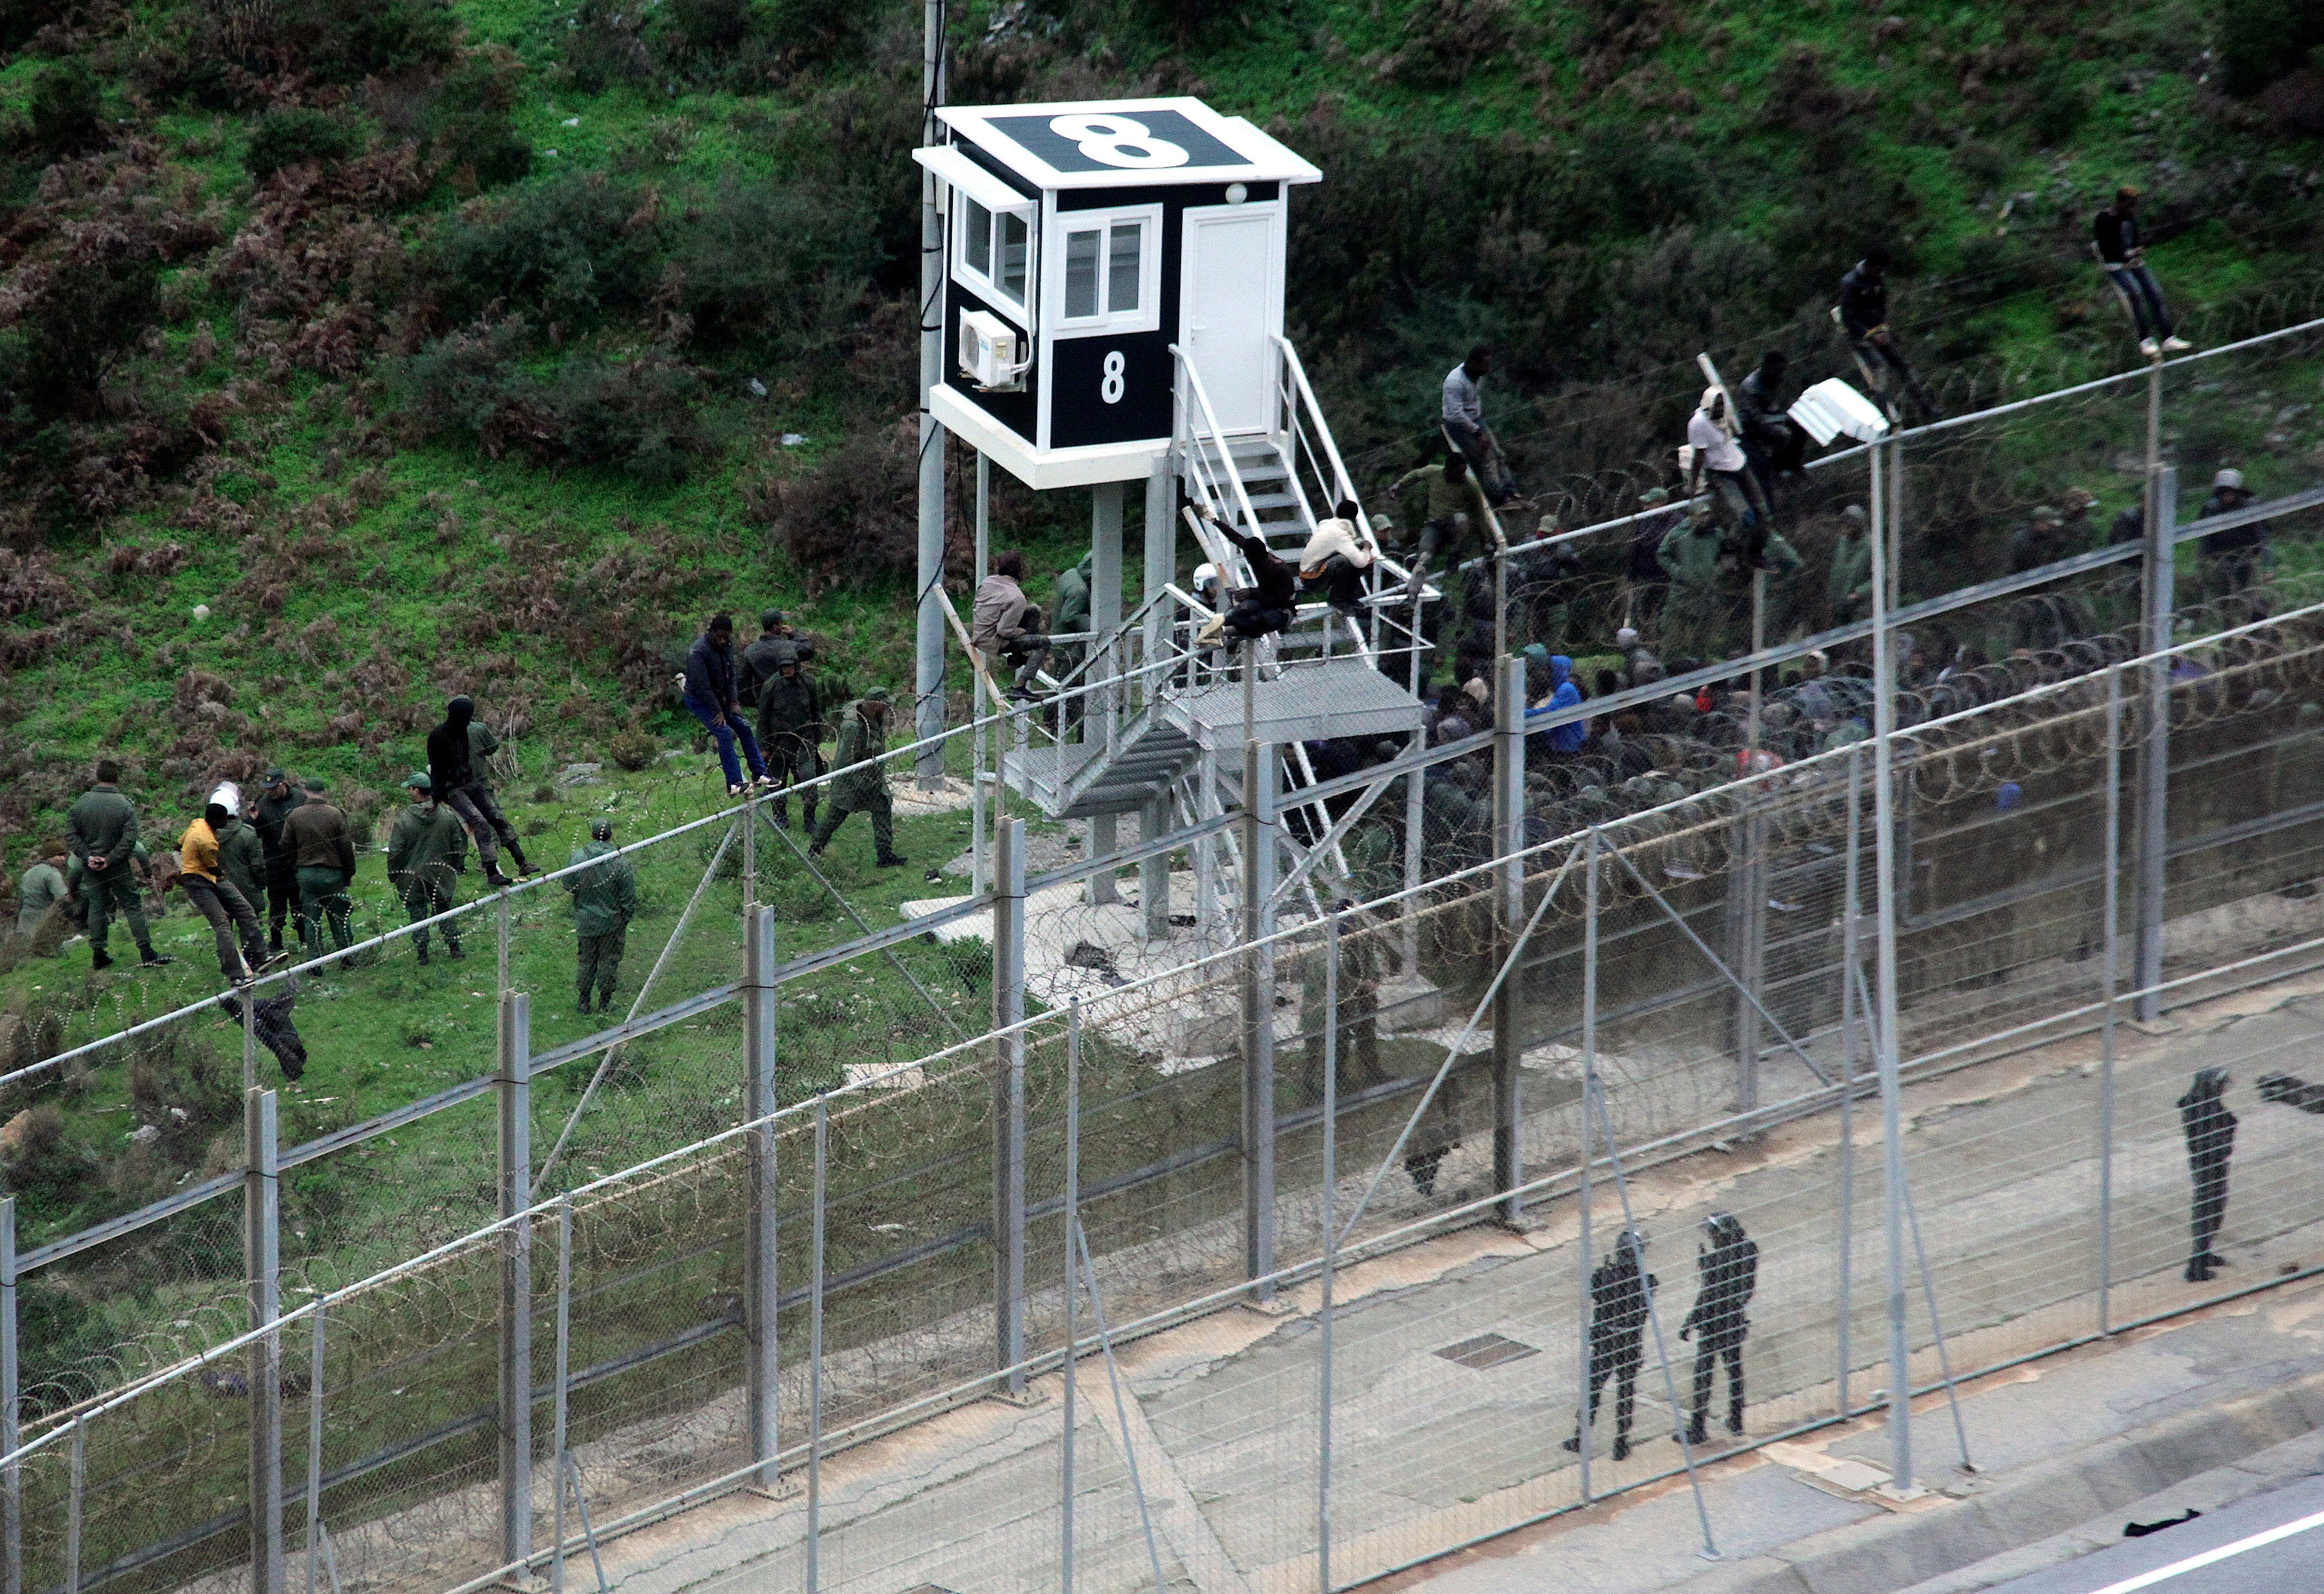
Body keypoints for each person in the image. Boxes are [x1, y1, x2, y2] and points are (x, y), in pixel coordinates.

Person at [1563, 1229, 1657, 1462]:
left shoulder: (1605, 1276)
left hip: (1606, 1341)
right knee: (1625, 1392)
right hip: (1629, 1343)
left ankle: (1581, 1437)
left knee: (1593, 1388)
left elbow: (1595, 1292)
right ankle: (1621, 1443)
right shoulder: (1646, 1281)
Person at [67, 761, 170, 972]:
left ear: (98, 777)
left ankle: (98, 954)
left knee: (97, 906)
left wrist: (88, 856)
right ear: (117, 778)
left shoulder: (81, 803)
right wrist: (111, 859)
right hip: (118, 866)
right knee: (132, 904)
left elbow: (71, 834)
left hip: (91, 866)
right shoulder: (124, 805)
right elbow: (130, 839)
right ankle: (146, 951)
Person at [1676, 1212, 1758, 1445]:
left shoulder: (1716, 1261)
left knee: (1703, 1374)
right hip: (1734, 1320)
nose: (1712, 1239)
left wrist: (1690, 1322)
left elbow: (1707, 1295)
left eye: (1714, 1234)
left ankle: (1698, 1428)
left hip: (1713, 1323)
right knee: (1734, 1371)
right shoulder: (1748, 1250)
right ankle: (1736, 1420)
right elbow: (1745, 1289)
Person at [807, 688, 908, 867]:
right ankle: (814, 850)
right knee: (836, 815)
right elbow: (846, 760)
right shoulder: (854, 727)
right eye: (884, 704)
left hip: (872, 778)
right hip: (851, 782)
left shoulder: (874, 718)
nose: (887, 708)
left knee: (883, 807)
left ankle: (885, 855)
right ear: (873, 704)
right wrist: (859, 783)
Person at [178, 786, 268, 985]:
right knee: (223, 924)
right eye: (223, 820)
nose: (226, 823)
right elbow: (214, 869)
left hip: (206, 876)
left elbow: (178, 845)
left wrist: (186, 858)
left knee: (242, 912)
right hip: (202, 879)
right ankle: (237, 972)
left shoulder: (197, 824)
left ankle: (259, 956)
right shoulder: (209, 841)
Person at [427, 696, 518, 888]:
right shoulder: (441, 736)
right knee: (482, 821)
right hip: (457, 787)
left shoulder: (460, 731)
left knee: (492, 817)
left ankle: (518, 860)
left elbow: (460, 762)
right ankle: (492, 869)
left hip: (468, 783)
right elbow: (437, 768)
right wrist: (437, 796)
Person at [1838, 245, 1935, 421]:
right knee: (1879, 367)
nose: (1882, 272)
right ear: (1871, 265)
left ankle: (1925, 407)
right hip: (1860, 336)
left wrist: (1883, 330)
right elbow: (1849, 318)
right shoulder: (1850, 283)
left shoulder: (1878, 280)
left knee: (1902, 364)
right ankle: (1883, 414)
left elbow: (1881, 307)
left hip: (1879, 332)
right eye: (1879, 268)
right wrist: (1870, 335)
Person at [2094, 187, 2190, 358]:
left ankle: (2168, 338)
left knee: (2155, 293)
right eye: (2129, 205)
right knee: (2136, 294)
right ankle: (2145, 340)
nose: (2132, 209)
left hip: (2134, 263)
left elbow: (2135, 240)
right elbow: (2105, 249)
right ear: (2121, 202)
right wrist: (2127, 255)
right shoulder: (2104, 219)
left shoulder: (2130, 218)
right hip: (2116, 266)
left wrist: (2137, 252)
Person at [683, 615, 773, 798]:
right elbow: (702, 687)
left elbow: (732, 677)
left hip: (721, 698)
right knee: (724, 733)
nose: (723, 641)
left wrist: (733, 702)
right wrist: (717, 711)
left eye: (727, 637)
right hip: (700, 700)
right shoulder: (698, 652)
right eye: (720, 637)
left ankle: (760, 774)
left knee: (744, 727)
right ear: (712, 632)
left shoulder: (726, 647)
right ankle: (734, 783)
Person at [1686, 385, 1774, 568]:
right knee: (1746, 517)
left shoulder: (1724, 415)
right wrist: (1693, 484)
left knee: (1763, 512)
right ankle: (1729, 548)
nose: (1720, 409)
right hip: (1720, 473)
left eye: (1722, 405)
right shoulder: (1698, 424)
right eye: (1717, 406)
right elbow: (1699, 457)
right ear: (1708, 405)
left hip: (1739, 464)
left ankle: (1756, 553)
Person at [385, 772, 467, 964]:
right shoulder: (447, 816)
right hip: (441, 873)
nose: (409, 791)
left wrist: (394, 874)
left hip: (412, 875)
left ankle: (422, 954)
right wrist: (455, 866)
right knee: (445, 911)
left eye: (410, 788)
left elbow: (395, 851)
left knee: (417, 914)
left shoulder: (404, 820)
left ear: (416, 791)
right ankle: (455, 948)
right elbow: (459, 844)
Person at [1193, 506, 1301, 644]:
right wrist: (1215, 521)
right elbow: (1236, 538)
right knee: (1241, 610)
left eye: (1248, 558)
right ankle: (1210, 631)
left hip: (1283, 610)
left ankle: (1221, 631)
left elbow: (1281, 601)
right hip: (1264, 603)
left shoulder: (1277, 569)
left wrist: (1251, 593)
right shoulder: (1257, 554)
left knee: (1257, 622)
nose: (1247, 561)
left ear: (1255, 558)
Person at [752, 633, 826, 831]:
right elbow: (763, 718)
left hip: (804, 742)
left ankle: (810, 819)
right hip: (779, 743)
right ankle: (780, 816)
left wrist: (816, 740)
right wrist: (764, 747)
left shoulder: (808, 683)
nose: (788, 670)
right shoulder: (771, 686)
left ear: (797, 665)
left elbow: (816, 712)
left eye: (791, 666)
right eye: (784, 667)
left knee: (809, 781)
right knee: (778, 783)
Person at [565, 819, 637, 1015]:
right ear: (611, 836)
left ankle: (584, 1001)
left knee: (586, 961)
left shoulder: (578, 857)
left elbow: (568, 884)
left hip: (586, 920)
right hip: (612, 922)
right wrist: (625, 917)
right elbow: (629, 895)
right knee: (609, 961)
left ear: (592, 835)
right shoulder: (620, 861)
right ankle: (605, 1003)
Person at [281, 778, 357, 956]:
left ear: (306, 792)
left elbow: (285, 845)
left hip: (307, 874)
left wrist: (297, 865)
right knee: (339, 918)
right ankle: (346, 956)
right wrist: (348, 873)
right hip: (333, 874)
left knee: (311, 921)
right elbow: (346, 848)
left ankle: (315, 960)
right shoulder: (336, 814)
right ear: (324, 792)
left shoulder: (294, 816)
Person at [1389, 451, 1495, 577]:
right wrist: (1400, 484)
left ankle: (1455, 554)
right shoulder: (1434, 472)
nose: (1462, 476)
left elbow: (1480, 513)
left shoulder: (1470, 486)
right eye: (1458, 473)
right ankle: (1414, 587)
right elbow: (1416, 475)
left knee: (1461, 519)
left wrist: (1485, 541)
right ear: (1449, 470)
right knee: (1423, 559)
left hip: (1453, 527)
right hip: (1434, 525)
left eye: (1463, 472)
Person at [1441, 344, 1517, 505]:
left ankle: (1511, 492)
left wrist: (1480, 422)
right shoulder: (1454, 382)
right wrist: (1478, 433)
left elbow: (1474, 399)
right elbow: (1456, 414)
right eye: (1484, 365)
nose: (1487, 369)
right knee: (1486, 458)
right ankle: (1501, 499)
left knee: (1498, 455)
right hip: (1458, 425)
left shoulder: (1478, 377)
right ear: (1473, 364)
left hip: (1475, 419)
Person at [2178, 1067, 2235, 1284]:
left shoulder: (2206, 1105)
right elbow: (2209, 1142)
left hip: (2214, 1165)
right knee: (2207, 1212)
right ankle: (2196, 1267)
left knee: (2215, 1210)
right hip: (2208, 1167)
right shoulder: (2199, 1110)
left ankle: (2204, 1255)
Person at [461, 710, 532, 875]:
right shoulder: (478, 729)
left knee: (468, 825)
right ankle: (518, 859)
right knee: (495, 819)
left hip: (461, 788)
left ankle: (468, 863)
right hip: (481, 783)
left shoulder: (447, 734)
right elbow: (492, 747)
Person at [972, 550, 1049, 696]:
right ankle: (1020, 687)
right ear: (1019, 570)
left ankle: (1016, 657)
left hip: (980, 633)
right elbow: (1004, 630)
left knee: (1033, 611)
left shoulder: (988, 582)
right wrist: (1021, 632)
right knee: (1044, 643)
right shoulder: (1017, 597)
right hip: (994, 641)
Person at [252, 769, 305, 953]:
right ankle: (276, 943)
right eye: (267, 788)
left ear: (283, 784)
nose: (270, 792)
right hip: (275, 865)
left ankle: (304, 938)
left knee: (300, 904)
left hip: (298, 862)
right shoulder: (261, 804)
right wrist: (253, 820)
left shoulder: (300, 798)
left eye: (273, 788)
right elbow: (254, 834)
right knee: (277, 908)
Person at [1734, 350, 1806, 486]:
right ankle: (1778, 469)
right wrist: (1783, 419)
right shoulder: (1750, 386)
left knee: (1800, 427)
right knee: (1783, 434)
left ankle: (1794, 465)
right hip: (1751, 426)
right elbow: (1756, 418)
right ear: (1769, 367)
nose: (1781, 375)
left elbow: (1773, 407)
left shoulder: (1772, 380)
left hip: (1770, 419)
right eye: (1779, 371)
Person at [1299, 500, 1376, 616]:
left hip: (1309, 576)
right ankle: (1337, 599)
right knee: (1346, 561)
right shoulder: (1340, 534)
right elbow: (1361, 562)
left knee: (1353, 555)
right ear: (1354, 518)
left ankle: (1348, 596)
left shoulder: (1327, 527)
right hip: (1313, 581)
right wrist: (1367, 548)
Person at [2198, 468, 2264, 596]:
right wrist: (2202, 565)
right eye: (2224, 492)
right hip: (2221, 559)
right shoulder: (2211, 509)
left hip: (2247, 556)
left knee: (2248, 593)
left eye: (2231, 492)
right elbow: (2205, 540)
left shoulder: (2250, 507)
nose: (2228, 496)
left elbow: (2262, 535)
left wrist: (2268, 568)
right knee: (2224, 595)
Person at [1527, 655, 1588, 755]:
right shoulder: (1558, 689)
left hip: (1569, 749)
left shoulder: (1566, 689)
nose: (1548, 674)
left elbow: (1548, 713)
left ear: (1559, 670)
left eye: (1550, 670)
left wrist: (1522, 714)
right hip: (1560, 746)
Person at [737, 607, 794, 710]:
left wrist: (753, 702)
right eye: (781, 623)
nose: (782, 626)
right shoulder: (787, 647)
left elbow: (742, 682)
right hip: (789, 703)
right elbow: (808, 649)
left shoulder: (750, 651)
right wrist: (792, 634)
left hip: (766, 705)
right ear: (775, 627)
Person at [216, 798, 266, 916]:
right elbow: (257, 866)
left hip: (220, 893)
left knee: (224, 925)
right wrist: (261, 885)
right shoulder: (247, 833)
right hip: (248, 892)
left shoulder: (207, 836)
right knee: (251, 924)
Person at [15, 841, 68, 943]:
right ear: (49, 857)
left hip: (24, 922)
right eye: (59, 855)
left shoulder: (28, 873)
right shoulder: (52, 874)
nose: (63, 859)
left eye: (64, 855)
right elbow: (62, 898)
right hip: (43, 920)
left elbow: (20, 901)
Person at [1829, 505, 1873, 624]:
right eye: (1843, 524)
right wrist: (1832, 599)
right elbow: (1835, 571)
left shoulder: (1871, 545)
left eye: (1849, 525)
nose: (1845, 528)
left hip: (1860, 610)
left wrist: (1858, 594)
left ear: (1858, 526)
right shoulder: (1842, 542)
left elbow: (1881, 577)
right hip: (1839, 608)